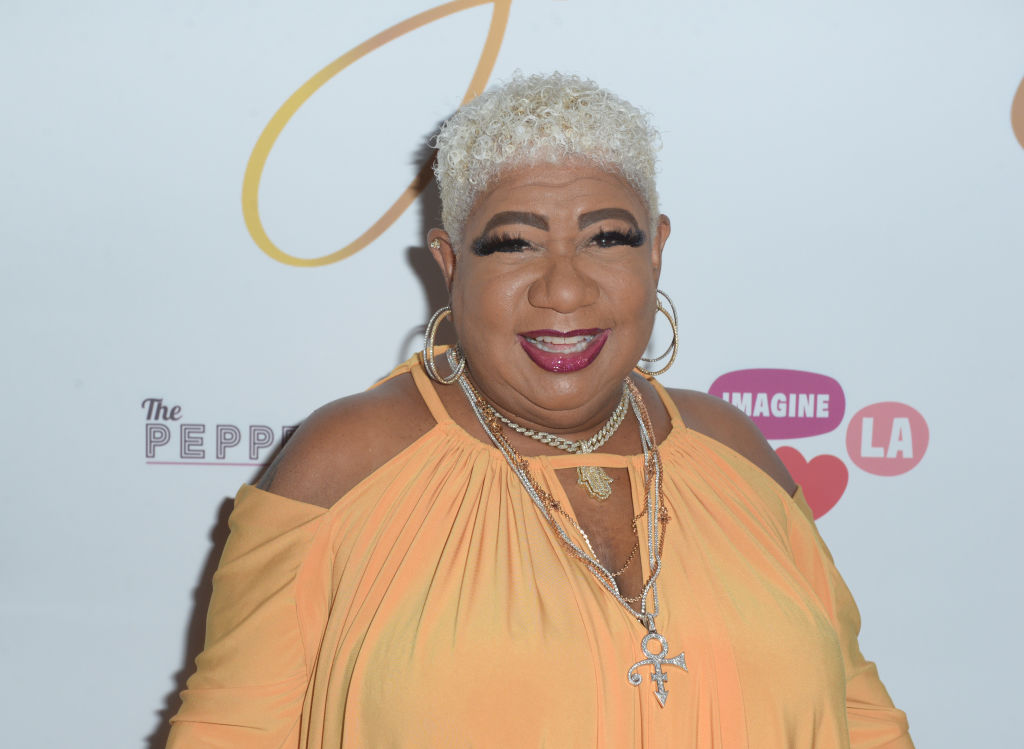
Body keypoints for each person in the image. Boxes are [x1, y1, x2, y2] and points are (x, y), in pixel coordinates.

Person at [167, 72, 913, 748]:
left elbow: (862, 717)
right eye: (515, 245)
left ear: (656, 250)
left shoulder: (733, 449)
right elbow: (229, 732)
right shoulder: (348, 463)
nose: (564, 289)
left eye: (606, 238)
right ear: (450, 262)